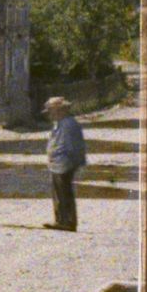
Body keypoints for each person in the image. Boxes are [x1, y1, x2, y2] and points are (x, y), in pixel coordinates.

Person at [44, 96, 87, 232]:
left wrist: (71, 162)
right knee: (58, 192)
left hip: (64, 163)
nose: (50, 114)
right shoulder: (61, 122)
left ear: (60, 110)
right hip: (57, 163)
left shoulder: (68, 124)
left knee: (63, 192)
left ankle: (67, 221)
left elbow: (71, 146)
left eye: (52, 111)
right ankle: (61, 220)